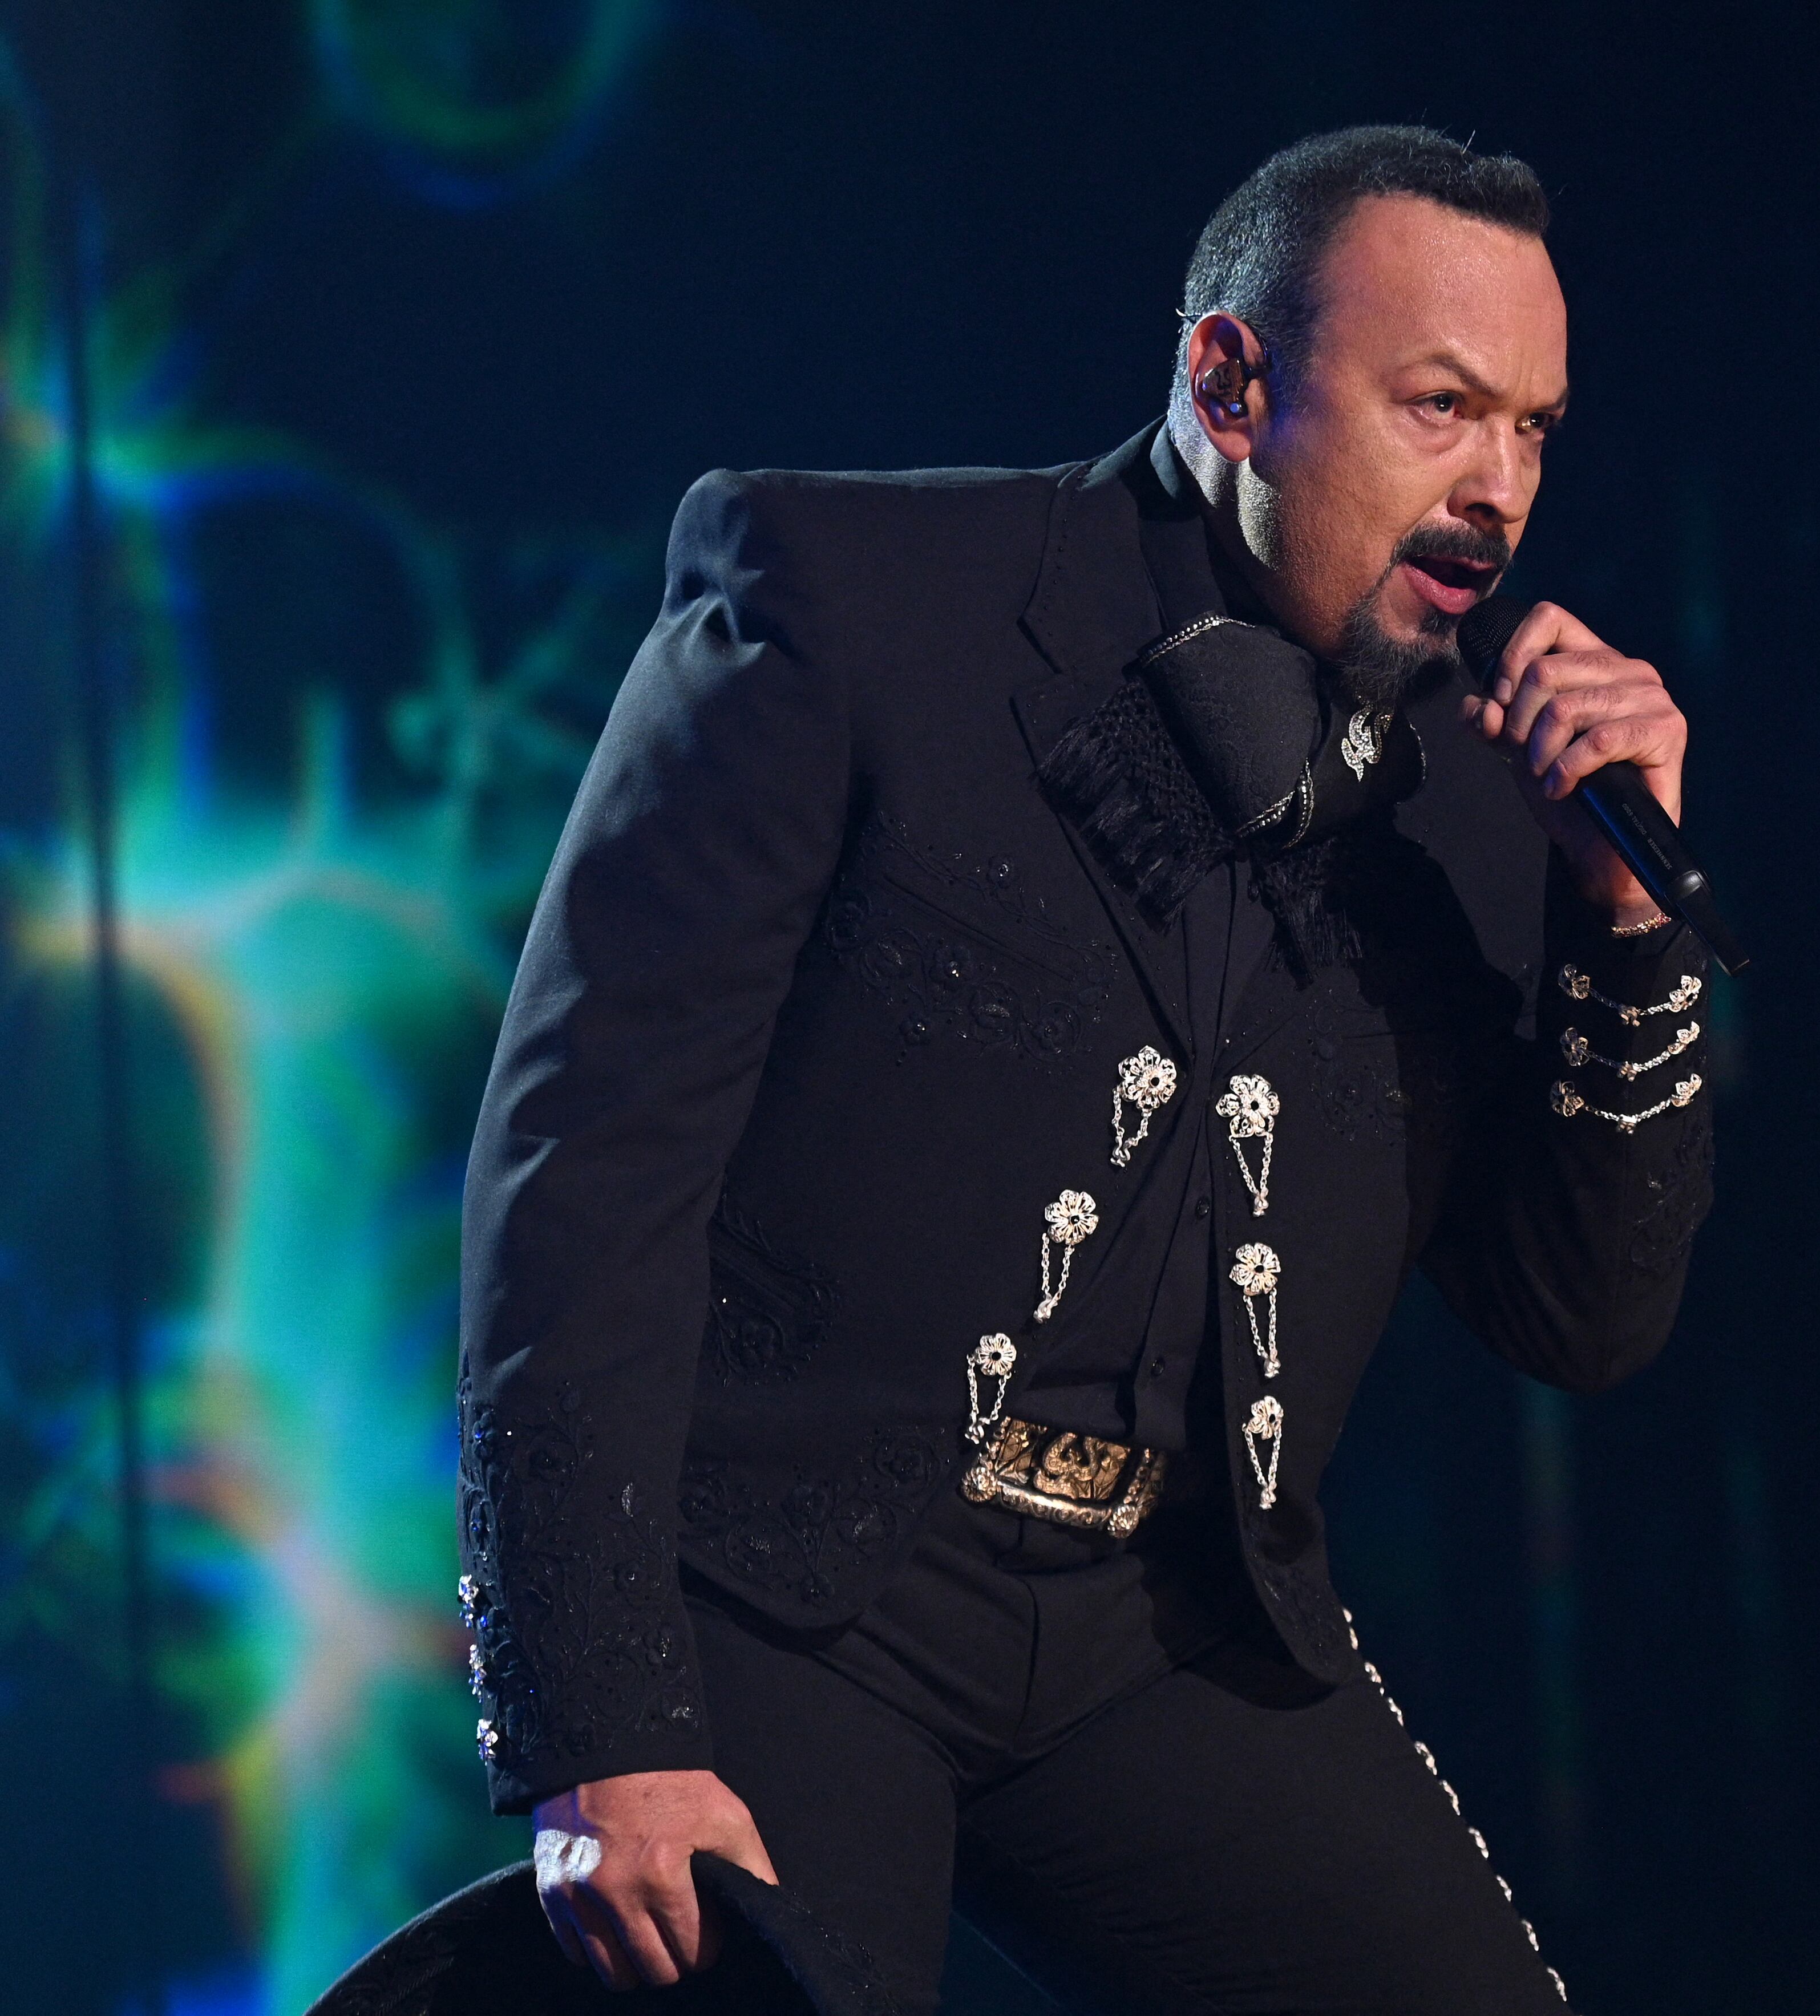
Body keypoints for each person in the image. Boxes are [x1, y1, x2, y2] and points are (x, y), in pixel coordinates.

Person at [457, 126, 1714, 2014]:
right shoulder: (861, 604)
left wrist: (1626, 917)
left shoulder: (1472, 788)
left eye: (1534, 427)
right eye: (1442, 409)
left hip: (1165, 1626)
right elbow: (587, 1165)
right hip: (790, 1590)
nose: (1498, 491)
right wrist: (596, 1717)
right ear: (1229, 377)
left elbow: (1581, 1318)